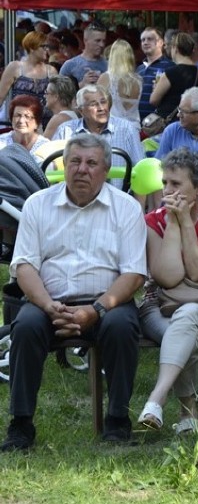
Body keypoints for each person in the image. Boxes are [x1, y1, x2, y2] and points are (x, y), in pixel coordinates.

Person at [0, 134, 146, 451]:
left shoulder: (126, 208)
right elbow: (24, 266)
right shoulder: (38, 205)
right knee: (24, 326)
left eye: (91, 163)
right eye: (75, 162)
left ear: (106, 169)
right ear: (64, 166)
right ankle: (21, 425)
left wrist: (95, 310)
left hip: (108, 303)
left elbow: (133, 273)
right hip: (47, 302)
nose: (82, 169)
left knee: (122, 326)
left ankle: (117, 421)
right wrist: (49, 306)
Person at [137, 148, 198, 434]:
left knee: (189, 314)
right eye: (165, 182)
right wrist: (171, 223)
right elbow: (168, 278)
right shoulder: (153, 221)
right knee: (187, 332)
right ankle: (187, 416)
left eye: (176, 184)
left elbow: (197, 272)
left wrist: (186, 224)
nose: (167, 190)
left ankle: (158, 397)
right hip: (159, 309)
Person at [52, 85, 145, 189]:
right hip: (77, 196)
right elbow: (52, 169)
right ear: (81, 111)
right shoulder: (65, 130)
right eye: (93, 104)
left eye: (103, 102)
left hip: (118, 198)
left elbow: (141, 169)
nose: (101, 108)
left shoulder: (126, 129)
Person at [0, 31, 57, 125]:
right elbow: (0, 97)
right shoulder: (15, 67)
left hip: (45, 124)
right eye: (43, 46)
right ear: (32, 48)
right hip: (21, 122)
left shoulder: (51, 71)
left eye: (48, 46)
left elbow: (57, 101)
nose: (47, 49)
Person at [150, 32, 198, 120]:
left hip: (169, 120)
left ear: (175, 48)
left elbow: (153, 100)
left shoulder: (171, 72)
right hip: (189, 120)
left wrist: (156, 88)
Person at [155, 87, 198, 166]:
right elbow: (159, 166)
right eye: (179, 110)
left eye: (183, 112)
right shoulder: (172, 131)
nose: (178, 115)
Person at [97, 39, 142, 131]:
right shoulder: (139, 80)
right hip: (134, 128)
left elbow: (95, 104)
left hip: (113, 128)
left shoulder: (106, 78)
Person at [136, 27, 175, 121]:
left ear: (161, 42)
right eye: (143, 40)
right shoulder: (138, 69)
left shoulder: (170, 67)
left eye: (150, 39)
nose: (145, 42)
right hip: (138, 123)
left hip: (159, 125)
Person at [59, 24, 107, 88]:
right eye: (97, 41)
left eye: (104, 41)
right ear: (85, 40)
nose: (102, 45)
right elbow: (60, 92)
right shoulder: (70, 65)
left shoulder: (108, 65)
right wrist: (82, 84)